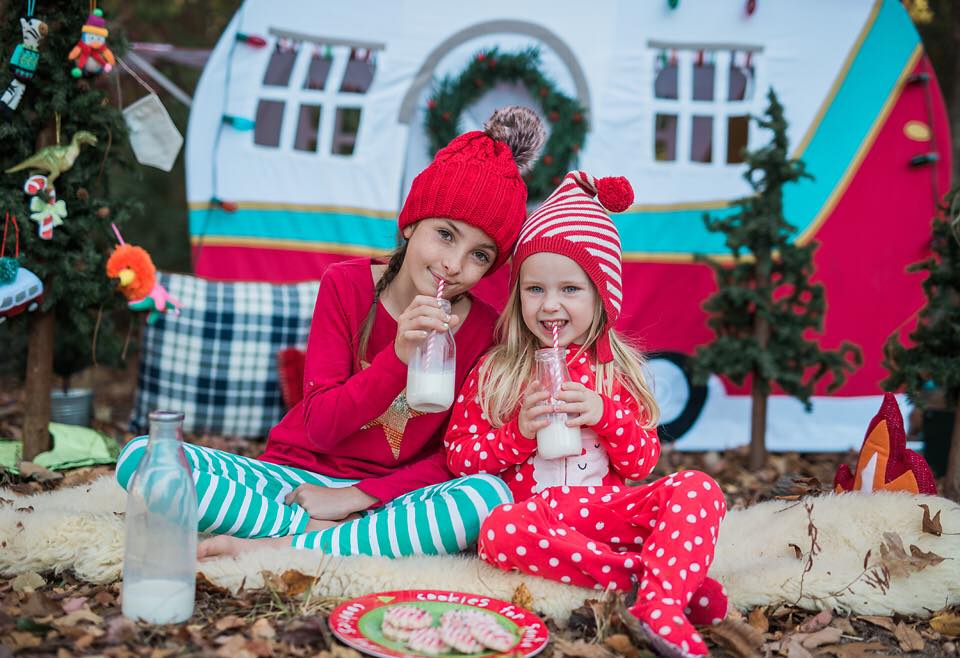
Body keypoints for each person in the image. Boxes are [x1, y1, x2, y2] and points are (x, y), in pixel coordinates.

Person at [116, 107, 546, 559]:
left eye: (480, 255)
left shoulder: (483, 329)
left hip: (388, 498)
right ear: (412, 223)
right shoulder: (346, 286)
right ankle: (331, 538)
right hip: (293, 478)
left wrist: (358, 498)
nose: (454, 264)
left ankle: (288, 542)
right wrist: (398, 357)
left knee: (487, 497)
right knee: (143, 458)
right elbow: (320, 427)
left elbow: (455, 455)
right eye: (445, 234)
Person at [444, 171, 727, 658]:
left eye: (570, 290)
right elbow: (459, 458)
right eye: (535, 289)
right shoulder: (497, 371)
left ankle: (658, 601)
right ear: (519, 296)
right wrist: (518, 435)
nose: (550, 305)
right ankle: (652, 585)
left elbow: (641, 464)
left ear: (602, 296)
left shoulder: (616, 371)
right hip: (535, 519)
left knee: (698, 488)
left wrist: (606, 414)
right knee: (495, 532)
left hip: (606, 515)